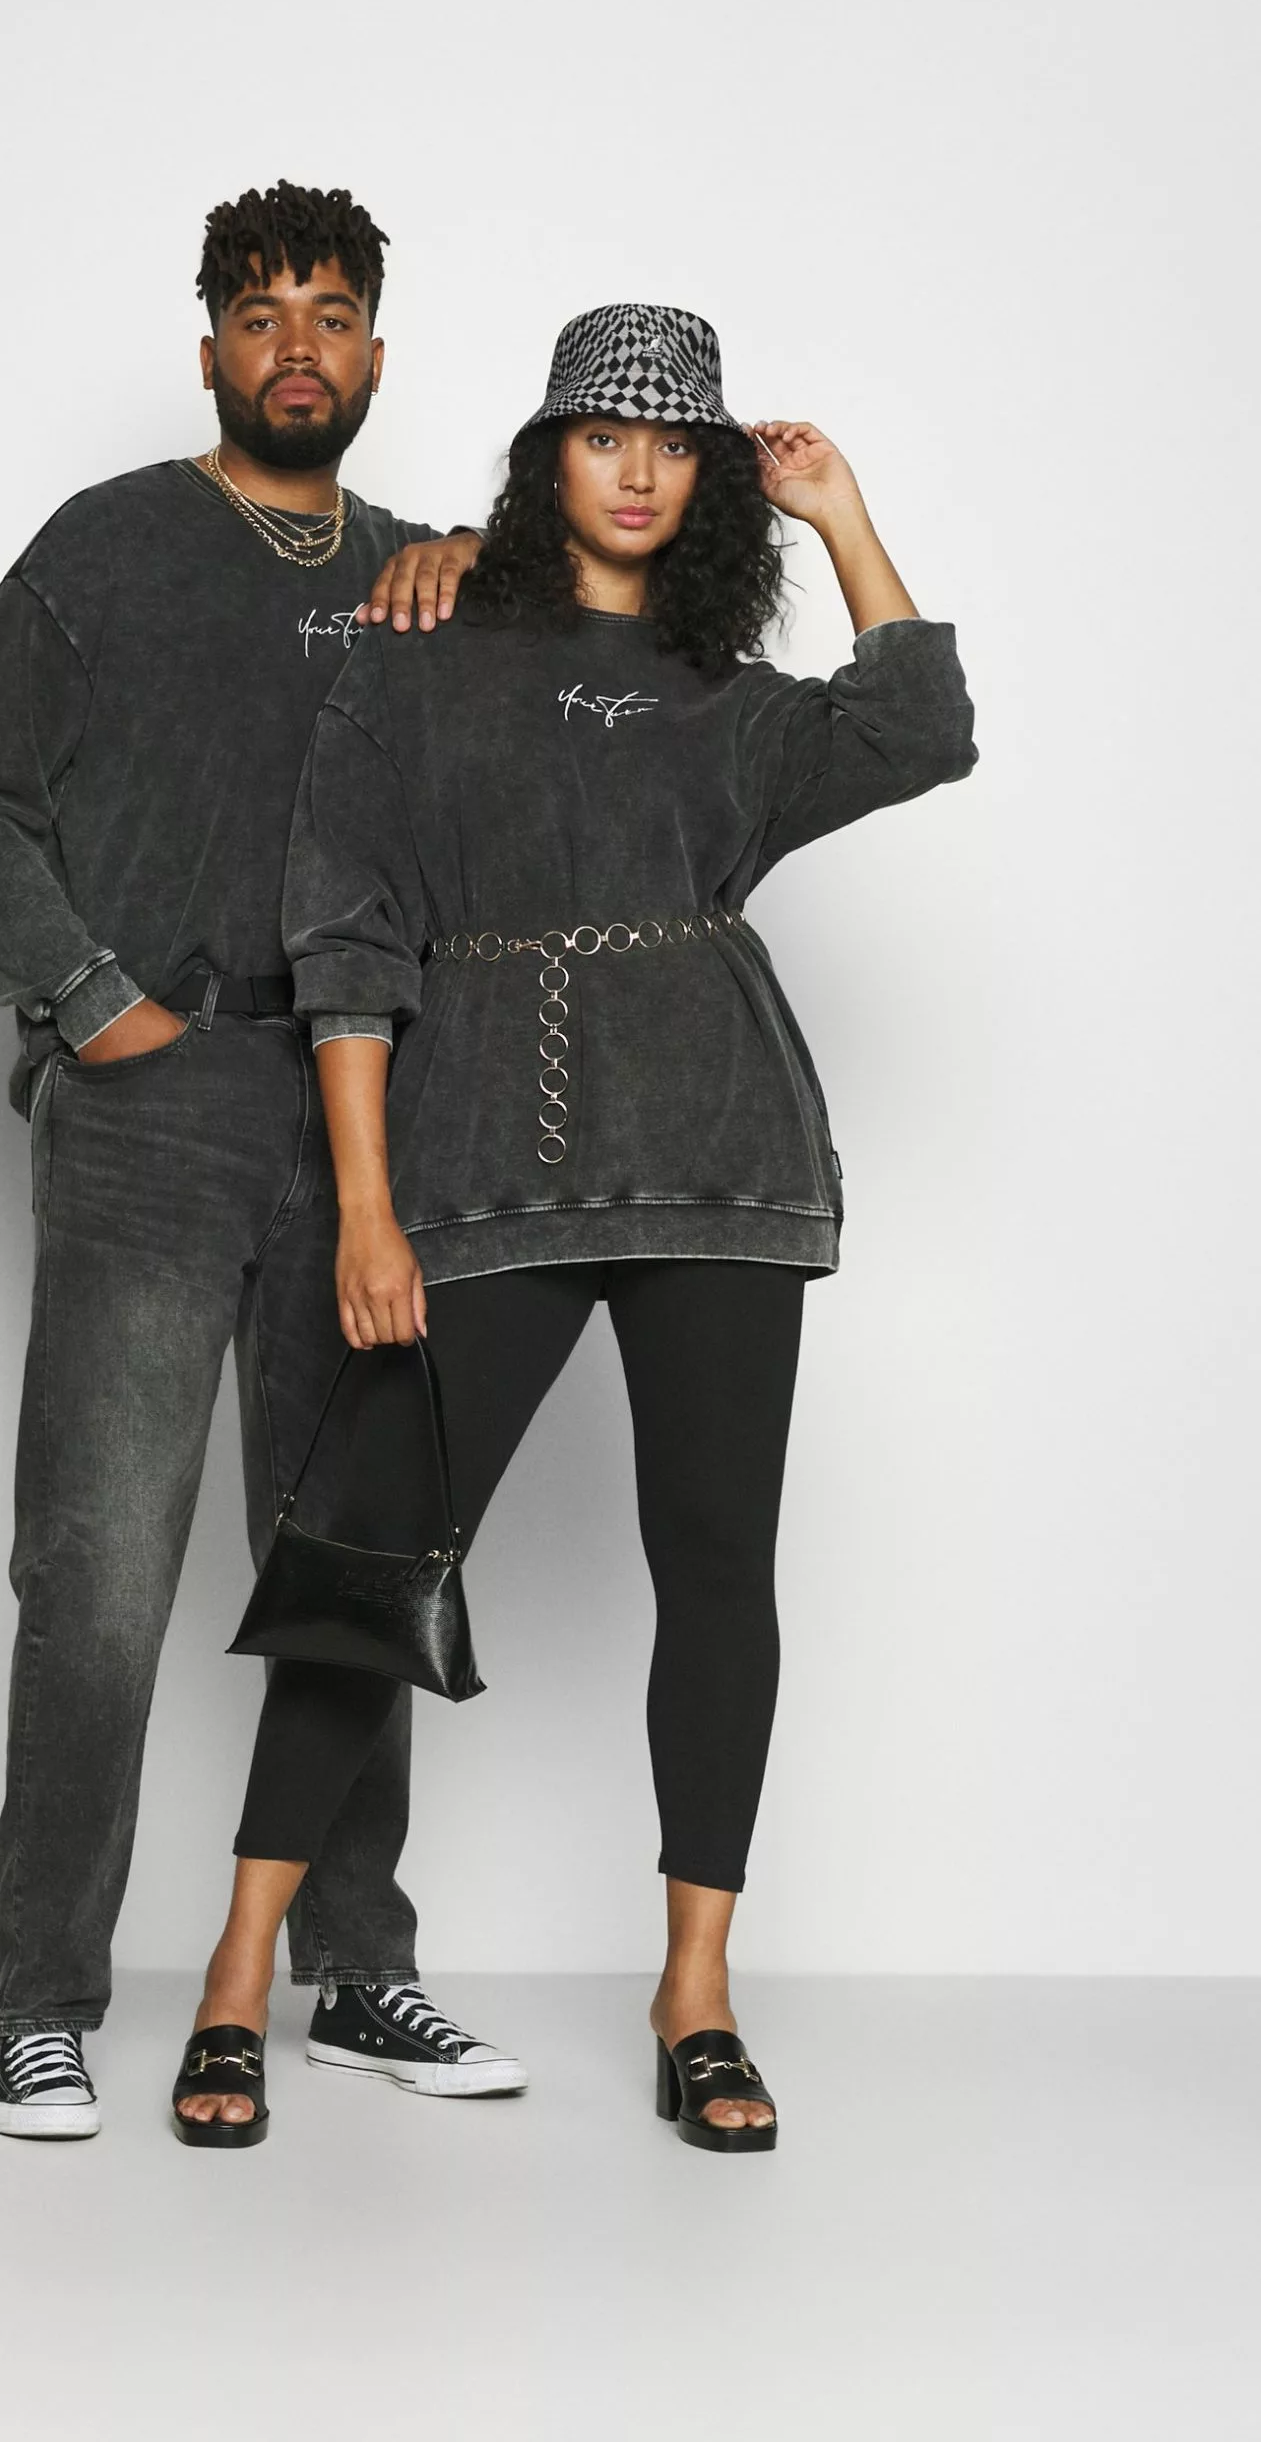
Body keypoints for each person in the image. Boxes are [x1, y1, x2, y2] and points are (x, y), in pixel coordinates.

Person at [173, 302, 976, 2150]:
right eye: (605, 435)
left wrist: (841, 511)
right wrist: (367, 1210)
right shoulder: (424, 661)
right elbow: (348, 941)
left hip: (718, 1164)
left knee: (717, 1571)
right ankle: (237, 1970)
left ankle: (697, 1992)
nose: (638, 469)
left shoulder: (730, 700)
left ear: (707, 482)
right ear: (548, 460)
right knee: (366, 1553)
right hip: (480, 1177)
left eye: (675, 443)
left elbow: (922, 727)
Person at [0, 182, 524, 2139]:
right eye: (261, 315)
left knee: (348, 1554)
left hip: (363, 1117)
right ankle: (42, 2002)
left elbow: (559, 752)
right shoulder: (103, 549)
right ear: (210, 352)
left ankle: (357, 1966)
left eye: (330, 313)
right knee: (98, 1566)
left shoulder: (426, 573)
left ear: (375, 354)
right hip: (154, 1112)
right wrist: (92, 1002)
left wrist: (490, 563)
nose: (296, 346)